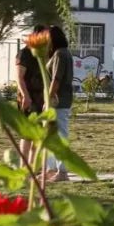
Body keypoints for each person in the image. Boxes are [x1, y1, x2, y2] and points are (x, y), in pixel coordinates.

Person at [46, 26, 76, 181]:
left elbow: (56, 79)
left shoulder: (59, 54)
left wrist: (49, 97)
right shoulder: (65, 53)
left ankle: (62, 171)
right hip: (62, 98)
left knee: (60, 135)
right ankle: (51, 168)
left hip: (59, 100)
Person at [15, 26, 47, 115]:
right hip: (28, 96)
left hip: (41, 97)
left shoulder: (42, 54)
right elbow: (19, 77)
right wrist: (25, 95)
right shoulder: (24, 53)